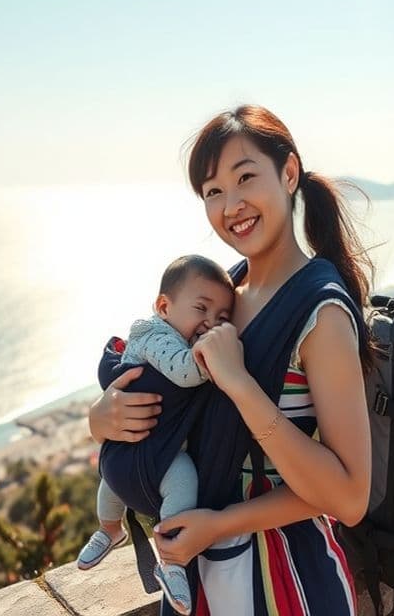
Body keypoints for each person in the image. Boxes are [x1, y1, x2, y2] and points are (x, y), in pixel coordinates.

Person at [87, 104, 373, 615]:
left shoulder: (320, 313)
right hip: (203, 573)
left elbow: (349, 495)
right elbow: (168, 397)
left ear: (288, 174)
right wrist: (102, 419)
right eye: (213, 191)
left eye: (245, 178)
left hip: (284, 580)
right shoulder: (227, 292)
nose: (231, 204)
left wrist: (240, 385)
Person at [78, 255, 235, 615]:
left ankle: (172, 560)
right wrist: (221, 351)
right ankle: (109, 529)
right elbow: (184, 372)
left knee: (182, 479)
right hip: (135, 445)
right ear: (164, 306)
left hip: (161, 447)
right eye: (201, 310)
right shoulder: (154, 335)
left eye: (221, 319)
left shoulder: (177, 333)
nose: (208, 324)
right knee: (111, 481)